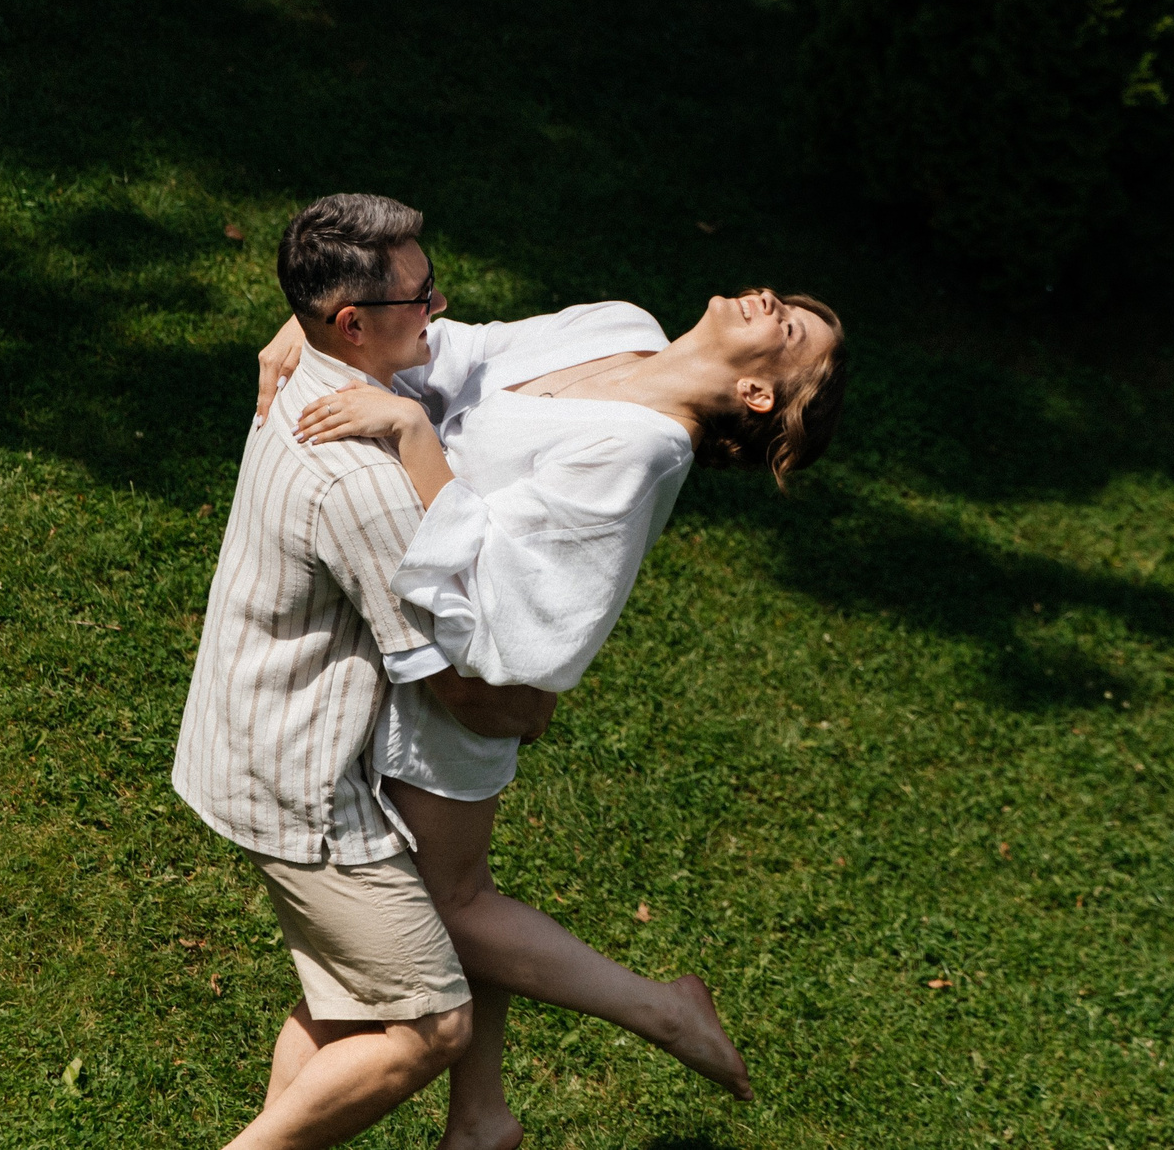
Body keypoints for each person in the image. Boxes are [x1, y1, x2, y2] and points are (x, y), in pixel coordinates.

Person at [256, 284, 847, 1150]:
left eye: (788, 326)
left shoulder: (640, 451)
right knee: (454, 905)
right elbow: (462, 351)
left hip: (455, 683)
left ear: (761, 393)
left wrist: (417, 437)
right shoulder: (622, 327)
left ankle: (663, 1014)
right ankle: (482, 1118)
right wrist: (331, 327)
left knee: (427, 928)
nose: (770, 301)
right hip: (406, 646)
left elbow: (513, 602)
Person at [174, 193, 534, 1150]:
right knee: (431, 1024)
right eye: (422, 298)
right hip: (297, 783)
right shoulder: (360, 476)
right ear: (352, 323)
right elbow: (444, 672)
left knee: (345, 1012)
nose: (438, 312)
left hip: (241, 737)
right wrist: (528, 707)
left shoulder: (308, 375)